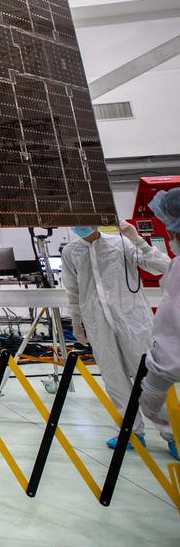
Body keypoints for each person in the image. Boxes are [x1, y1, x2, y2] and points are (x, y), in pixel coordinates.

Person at [64, 220, 172, 448]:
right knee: (114, 380)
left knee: (148, 378)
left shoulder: (122, 243)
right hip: (98, 323)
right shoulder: (71, 252)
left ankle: (174, 435)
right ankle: (131, 433)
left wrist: (137, 239)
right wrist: (77, 322)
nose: (79, 224)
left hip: (134, 322)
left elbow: (164, 267)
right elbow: (72, 290)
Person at [137, 189, 180, 461]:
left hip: (168, 362)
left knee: (151, 403)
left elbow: (171, 325)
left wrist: (158, 370)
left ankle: (173, 436)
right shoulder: (176, 266)